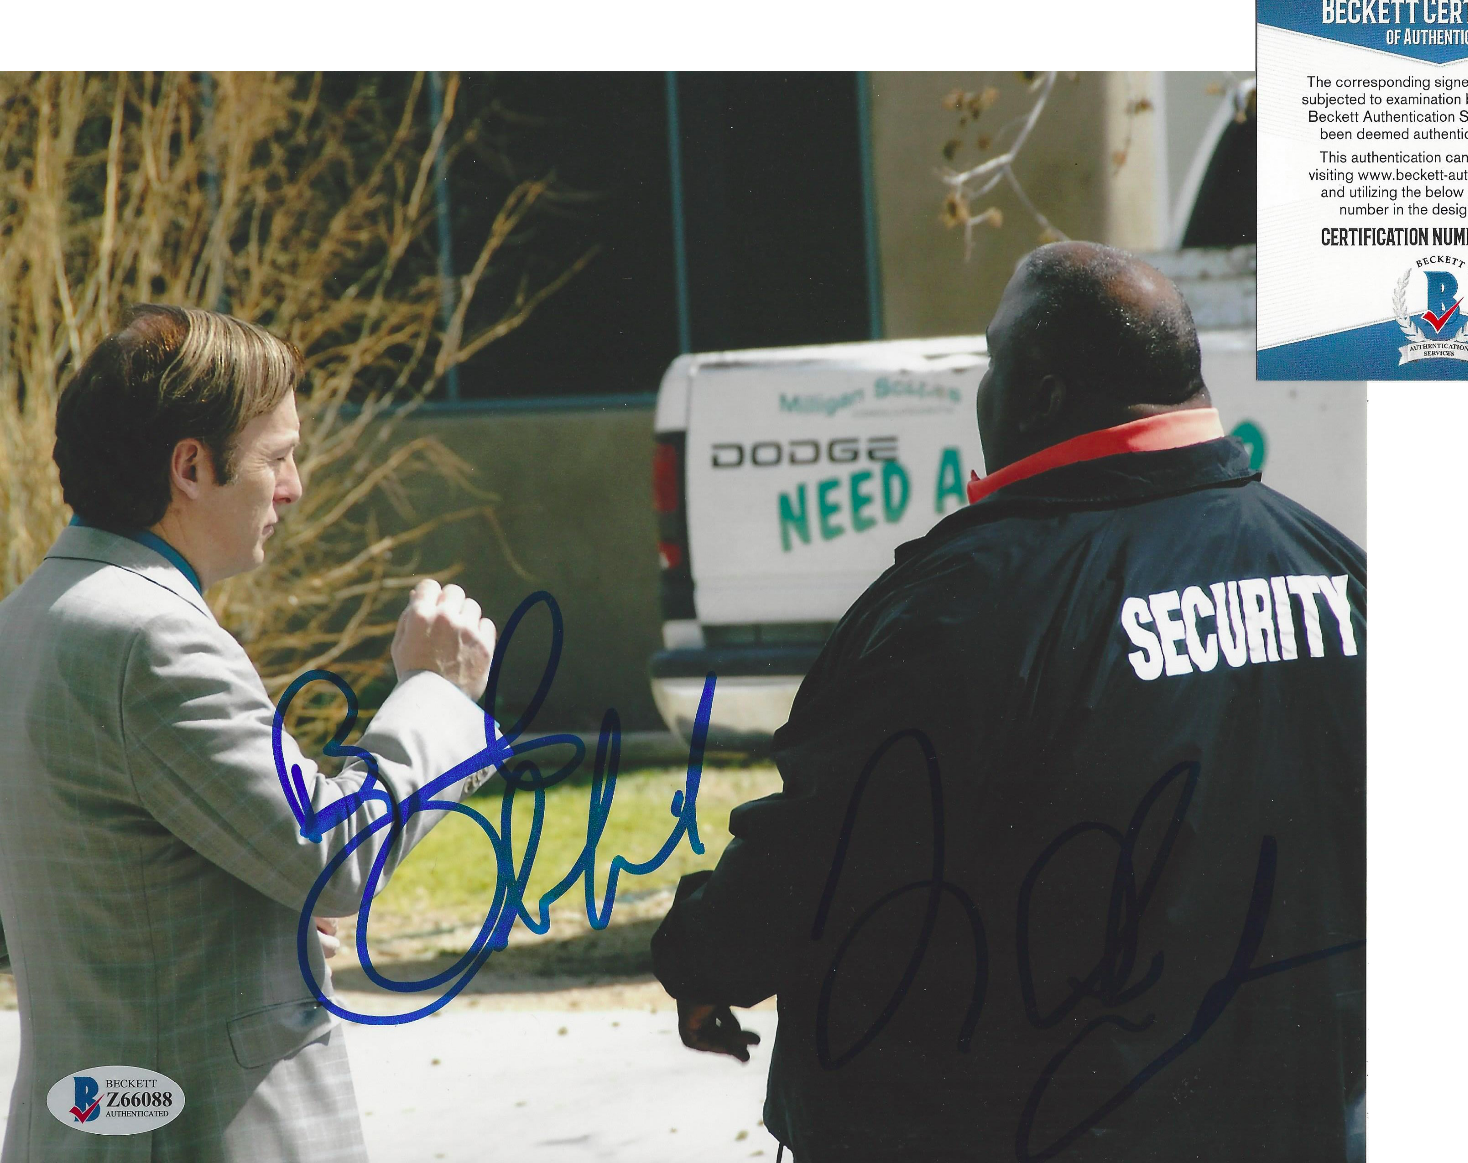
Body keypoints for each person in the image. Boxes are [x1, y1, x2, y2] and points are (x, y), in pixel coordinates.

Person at [652, 242, 1367, 1163]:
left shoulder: (964, 605)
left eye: (995, 364)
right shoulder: (1337, 574)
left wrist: (703, 958)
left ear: (1046, 395)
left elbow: (822, 856)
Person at [0, 306, 500, 1162]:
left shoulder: (27, 618)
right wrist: (437, 693)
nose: (295, 485)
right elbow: (335, 856)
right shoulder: (151, 639)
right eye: (278, 457)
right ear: (190, 467)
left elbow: (103, 889)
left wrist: (262, 925)